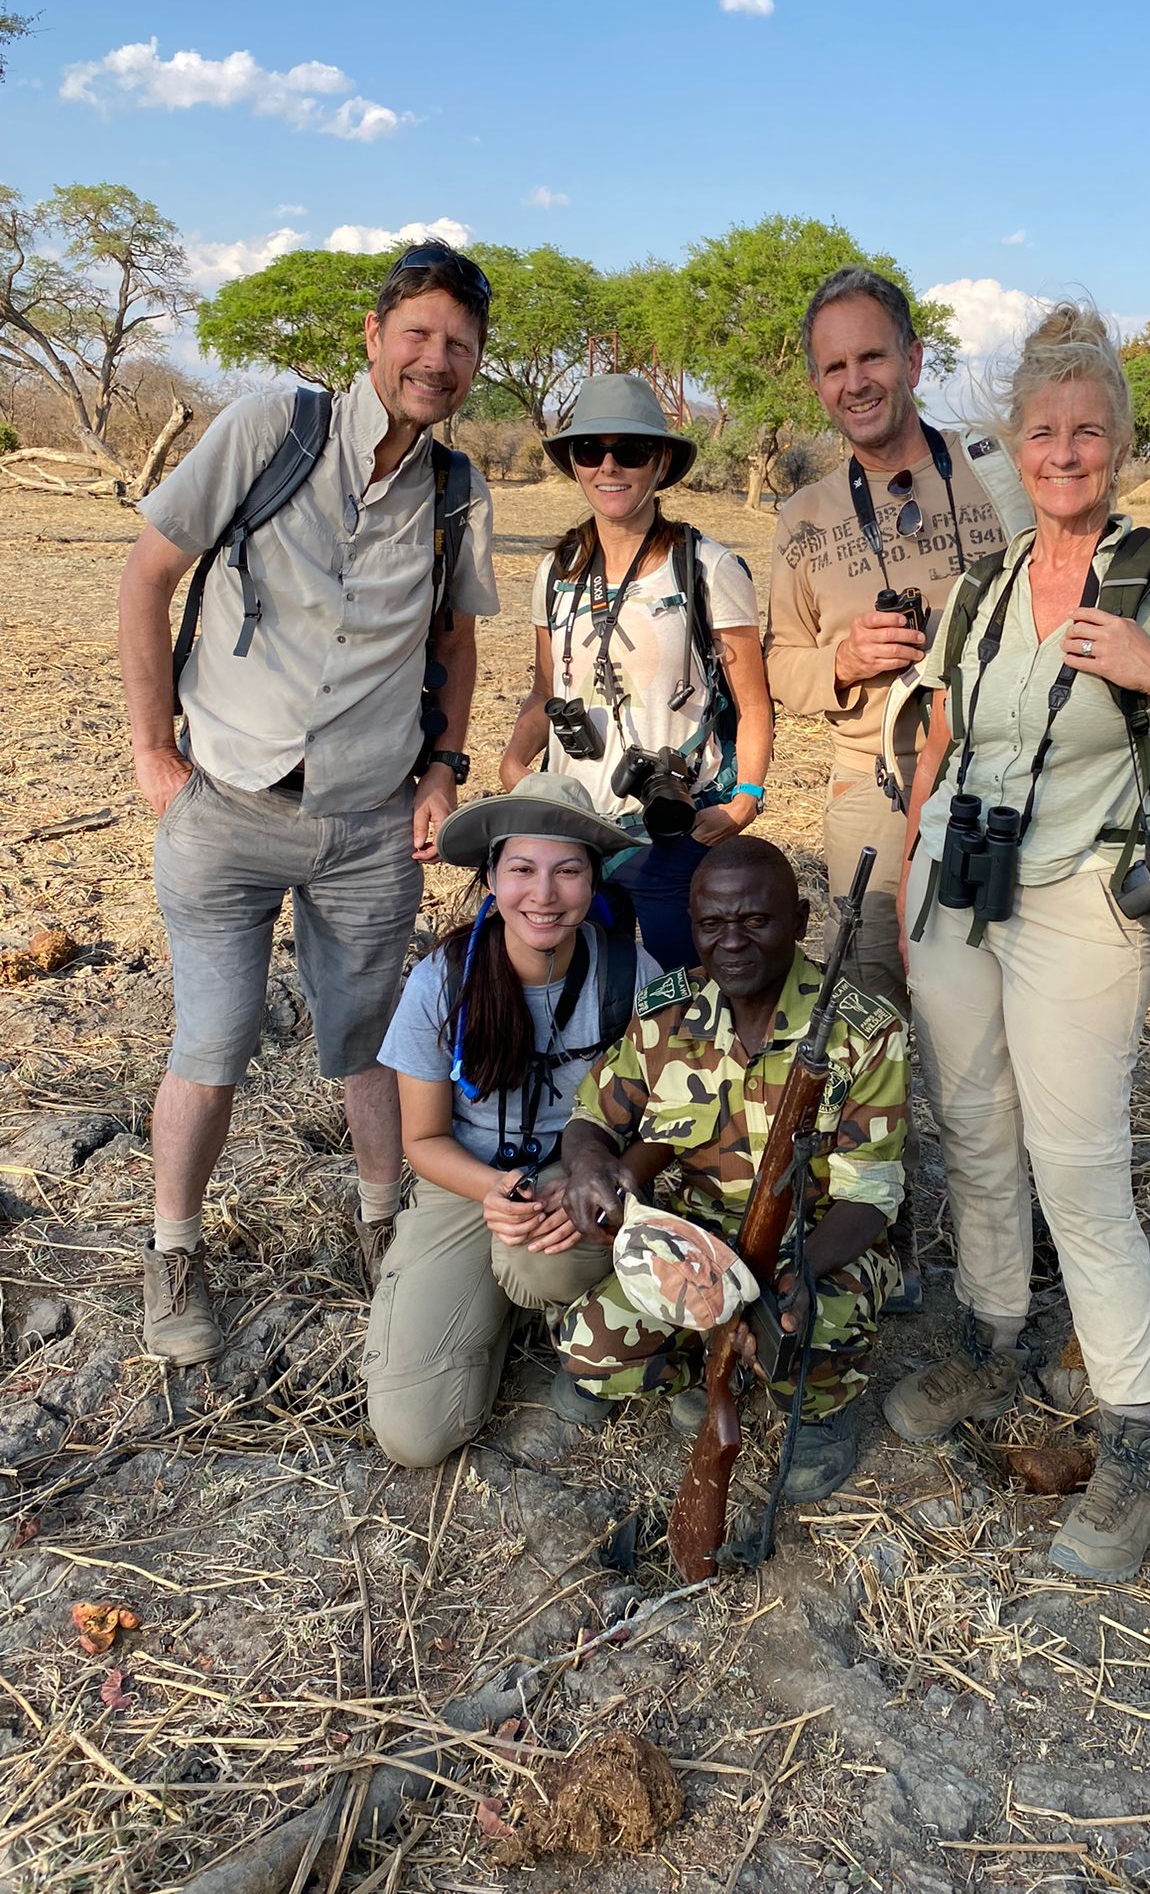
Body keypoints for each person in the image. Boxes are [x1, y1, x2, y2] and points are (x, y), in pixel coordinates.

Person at [885, 301, 1150, 1582]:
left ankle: (1137, 1439)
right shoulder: (985, 584)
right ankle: (992, 1331)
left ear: (1121, 442)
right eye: (1042, 431)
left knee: (1080, 1161)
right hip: (958, 883)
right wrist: (910, 873)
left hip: (1079, 897)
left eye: (1087, 430)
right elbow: (942, 731)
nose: (1062, 452)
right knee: (973, 1122)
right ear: (1017, 439)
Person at [117, 240, 499, 1366]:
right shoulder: (268, 432)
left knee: (371, 1035)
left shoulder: (457, 492)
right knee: (214, 1039)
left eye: (459, 344)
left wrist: (442, 770)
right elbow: (148, 575)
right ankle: (174, 1249)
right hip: (227, 802)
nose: (435, 359)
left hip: (369, 821)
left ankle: (384, 1230)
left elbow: (455, 645)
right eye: (417, 333)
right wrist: (152, 748)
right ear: (374, 337)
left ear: (478, 363)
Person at [764, 266, 1028, 1311]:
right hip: (871, 787)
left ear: (915, 359)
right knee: (876, 1020)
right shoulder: (803, 516)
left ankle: (1013, 1232)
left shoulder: (999, 470)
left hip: (1002, 780)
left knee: (1006, 1009)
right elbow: (775, 667)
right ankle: (888, 1237)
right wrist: (842, 657)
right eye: (834, 366)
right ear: (817, 383)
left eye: (873, 355)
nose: (856, 381)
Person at [551, 836, 908, 1504]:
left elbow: (870, 1195)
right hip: (700, 1245)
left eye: (756, 920)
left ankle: (819, 1407)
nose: (733, 942)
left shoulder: (865, 1032)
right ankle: (711, 1364)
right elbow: (591, 1115)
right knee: (588, 1350)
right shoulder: (668, 1011)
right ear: (692, 926)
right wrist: (590, 1164)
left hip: (815, 1247)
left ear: (799, 922)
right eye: (712, 924)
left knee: (807, 1338)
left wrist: (787, 1279)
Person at [362, 776, 662, 1467]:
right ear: (492, 877)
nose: (544, 895)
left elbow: (665, 1116)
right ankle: (493, 1309)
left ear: (594, 880)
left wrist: (594, 1178)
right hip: (469, 1181)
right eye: (522, 870)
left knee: (538, 1265)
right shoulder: (443, 979)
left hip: (583, 1169)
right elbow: (423, 1140)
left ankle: (558, 1303)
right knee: (415, 1437)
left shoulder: (631, 972)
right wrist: (492, 1192)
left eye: (568, 871)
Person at [498, 374, 772, 971]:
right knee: (586, 990)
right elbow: (546, 691)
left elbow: (754, 703)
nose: (609, 467)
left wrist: (746, 798)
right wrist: (513, 763)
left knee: (683, 991)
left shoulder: (707, 567)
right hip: (574, 831)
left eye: (631, 450)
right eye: (589, 450)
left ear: (662, 461)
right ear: (573, 463)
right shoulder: (557, 570)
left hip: (673, 829)